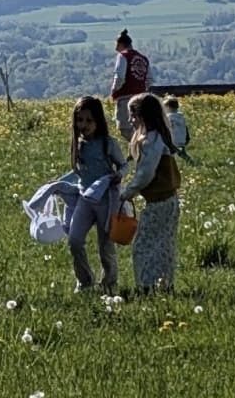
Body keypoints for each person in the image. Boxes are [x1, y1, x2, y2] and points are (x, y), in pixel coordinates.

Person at [120, 93, 182, 293]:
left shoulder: (150, 142)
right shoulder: (161, 138)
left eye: (133, 115)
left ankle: (147, 285)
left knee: (144, 245)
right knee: (164, 243)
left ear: (142, 116)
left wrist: (128, 192)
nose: (130, 120)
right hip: (170, 200)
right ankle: (164, 284)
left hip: (158, 202)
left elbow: (146, 173)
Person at [67, 96, 125, 293]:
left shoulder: (108, 143)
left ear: (98, 121)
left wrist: (119, 175)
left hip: (106, 200)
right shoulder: (78, 144)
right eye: (80, 120)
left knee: (105, 246)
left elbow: (123, 165)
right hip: (85, 198)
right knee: (74, 240)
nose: (83, 125)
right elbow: (79, 172)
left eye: (89, 120)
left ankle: (109, 284)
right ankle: (84, 281)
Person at [109, 30, 151, 141]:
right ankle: (138, 147)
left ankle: (138, 146)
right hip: (142, 98)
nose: (116, 48)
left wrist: (114, 90)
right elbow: (149, 79)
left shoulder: (123, 56)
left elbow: (120, 77)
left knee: (125, 128)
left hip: (125, 97)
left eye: (116, 45)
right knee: (140, 126)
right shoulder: (143, 59)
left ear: (120, 44)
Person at [164, 96, 195, 164]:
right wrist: (187, 137)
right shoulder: (181, 116)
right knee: (182, 153)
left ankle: (172, 165)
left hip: (173, 140)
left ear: (168, 107)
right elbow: (185, 127)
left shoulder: (168, 117)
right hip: (181, 139)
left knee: (170, 154)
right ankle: (190, 162)